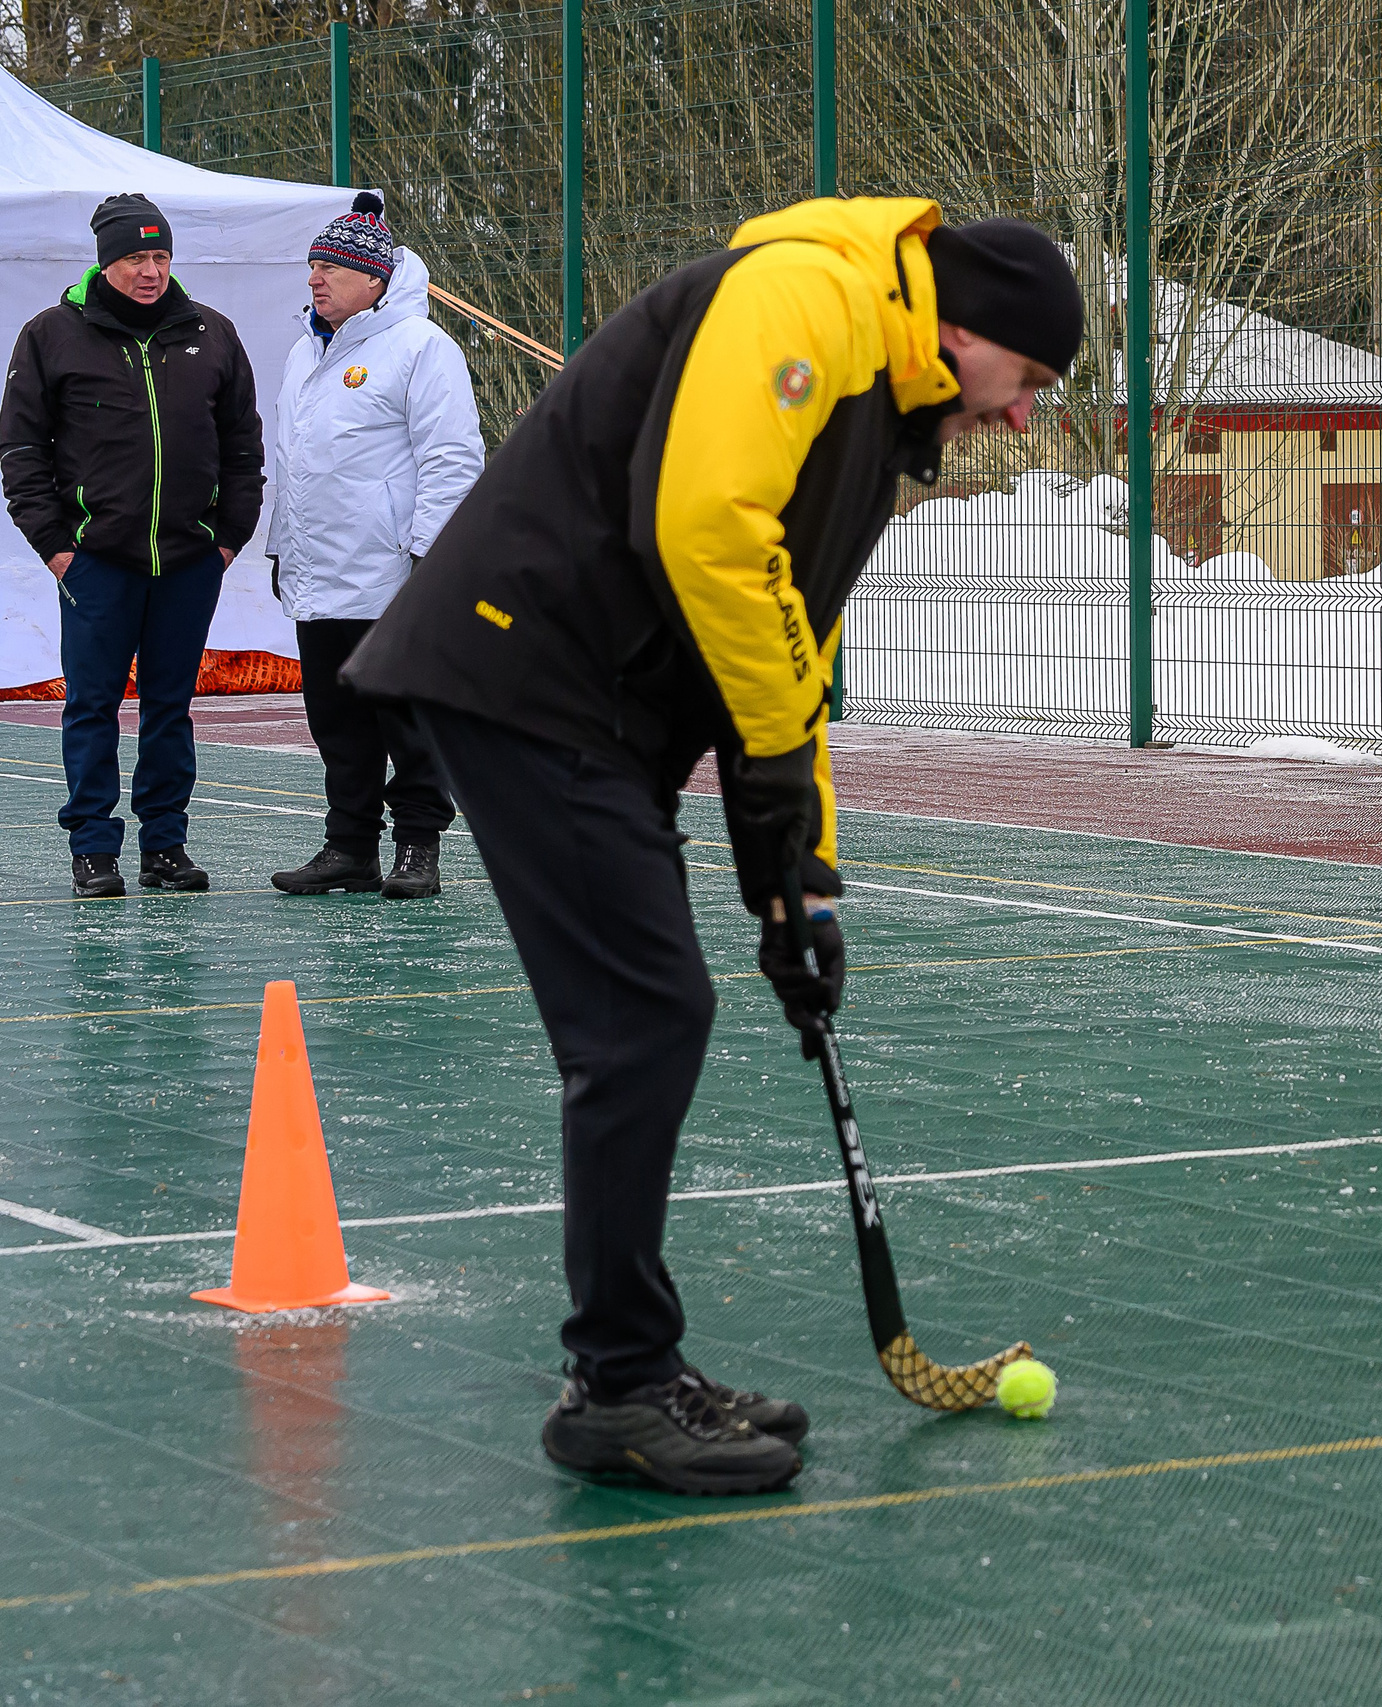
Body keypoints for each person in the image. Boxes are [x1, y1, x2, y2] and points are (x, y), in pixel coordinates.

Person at [343, 200, 1080, 1495]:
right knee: (643, 1015)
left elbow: (792, 647)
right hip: (525, 668)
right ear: (969, 333)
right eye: (1031, 382)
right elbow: (702, 525)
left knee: (651, 1012)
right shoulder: (813, 299)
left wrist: (803, 874)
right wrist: (772, 789)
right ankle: (618, 1386)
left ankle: (637, 1362)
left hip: (584, 702)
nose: (1024, 418)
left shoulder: (874, 406)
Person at [0, 194, 264, 898]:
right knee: (91, 704)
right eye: (133, 258)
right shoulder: (50, 335)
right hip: (96, 563)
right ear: (104, 262)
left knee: (170, 706)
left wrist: (229, 536)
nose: (150, 271)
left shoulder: (213, 333)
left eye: (160, 256)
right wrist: (58, 548)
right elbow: (21, 449)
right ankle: (93, 849)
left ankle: (166, 847)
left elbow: (243, 445)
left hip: (189, 561)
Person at [267, 193, 484, 900]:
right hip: (317, 573)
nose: (314, 278)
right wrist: (281, 548)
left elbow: (452, 458)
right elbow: (294, 461)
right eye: (311, 266)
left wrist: (428, 555)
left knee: (409, 719)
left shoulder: (423, 348)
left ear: (375, 280)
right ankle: (349, 846)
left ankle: (418, 846)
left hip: (395, 576)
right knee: (335, 720)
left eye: (329, 266)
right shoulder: (304, 353)